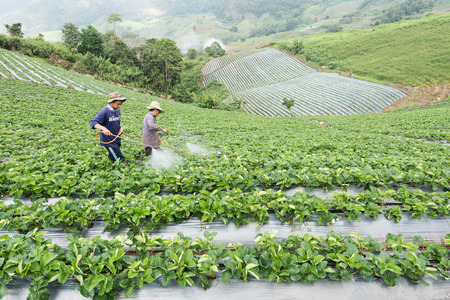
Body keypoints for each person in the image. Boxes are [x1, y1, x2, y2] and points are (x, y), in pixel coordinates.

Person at [90, 92, 127, 164]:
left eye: (120, 104)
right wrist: (104, 129)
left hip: (116, 138)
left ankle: (110, 165)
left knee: (112, 155)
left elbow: (117, 122)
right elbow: (93, 123)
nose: (119, 106)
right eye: (118, 104)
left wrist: (121, 128)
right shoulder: (104, 111)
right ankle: (125, 169)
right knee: (119, 156)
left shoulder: (117, 111)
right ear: (112, 102)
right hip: (108, 140)